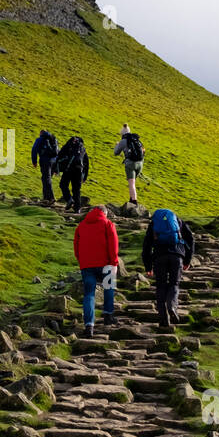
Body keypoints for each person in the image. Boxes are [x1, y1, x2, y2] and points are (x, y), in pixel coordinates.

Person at [142, 207, 195, 329]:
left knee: (161, 286)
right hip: (177, 256)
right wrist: (187, 260)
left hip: (159, 257)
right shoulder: (178, 221)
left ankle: (163, 318)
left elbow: (147, 246)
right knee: (174, 284)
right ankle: (172, 306)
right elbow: (190, 240)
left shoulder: (154, 224)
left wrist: (148, 266)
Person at [73, 205, 120, 337]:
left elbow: (76, 246)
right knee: (108, 287)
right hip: (106, 264)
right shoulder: (107, 224)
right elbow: (113, 244)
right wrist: (114, 263)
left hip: (87, 266)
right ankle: (108, 315)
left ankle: (89, 325)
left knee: (89, 294)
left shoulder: (81, 226)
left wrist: (81, 261)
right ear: (104, 213)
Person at [55, 135, 89, 213]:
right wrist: (85, 177)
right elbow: (86, 163)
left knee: (63, 185)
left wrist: (57, 169)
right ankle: (77, 209)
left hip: (69, 170)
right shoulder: (82, 149)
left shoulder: (69, 145)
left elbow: (59, 156)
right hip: (79, 171)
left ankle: (69, 200)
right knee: (76, 190)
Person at [113, 124, 145, 203]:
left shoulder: (123, 141)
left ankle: (133, 201)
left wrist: (117, 145)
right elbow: (143, 151)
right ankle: (132, 198)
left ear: (122, 134)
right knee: (133, 182)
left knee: (131, 183)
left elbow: (116, 152)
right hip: (140, 163)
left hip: (130, 164)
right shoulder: (136, 140)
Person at [31, 129, 59, 203]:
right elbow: (58, 152)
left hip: (45, 161)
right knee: (45, 179)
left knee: (46, 179)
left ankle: (51, 197)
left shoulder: (40, 139)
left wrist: (34, 161)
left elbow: (34, 150)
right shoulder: (54, 139)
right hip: (54, 161)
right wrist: (56, 168)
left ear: (41, 133)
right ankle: (46, 197)